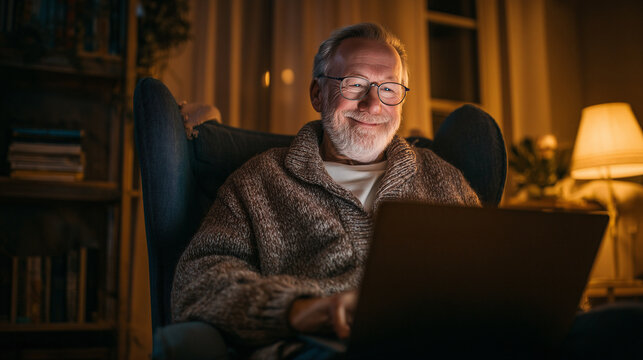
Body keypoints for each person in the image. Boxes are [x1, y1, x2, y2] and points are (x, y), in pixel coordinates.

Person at [171, 22, 479, 359]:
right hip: (323, 345)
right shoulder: (260, 181)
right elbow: (196, 283)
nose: (373, 104)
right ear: (318, 94)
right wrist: (297, 309)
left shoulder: (443, 179)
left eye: (389, 89)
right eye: (355, 84)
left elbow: (490, 271)